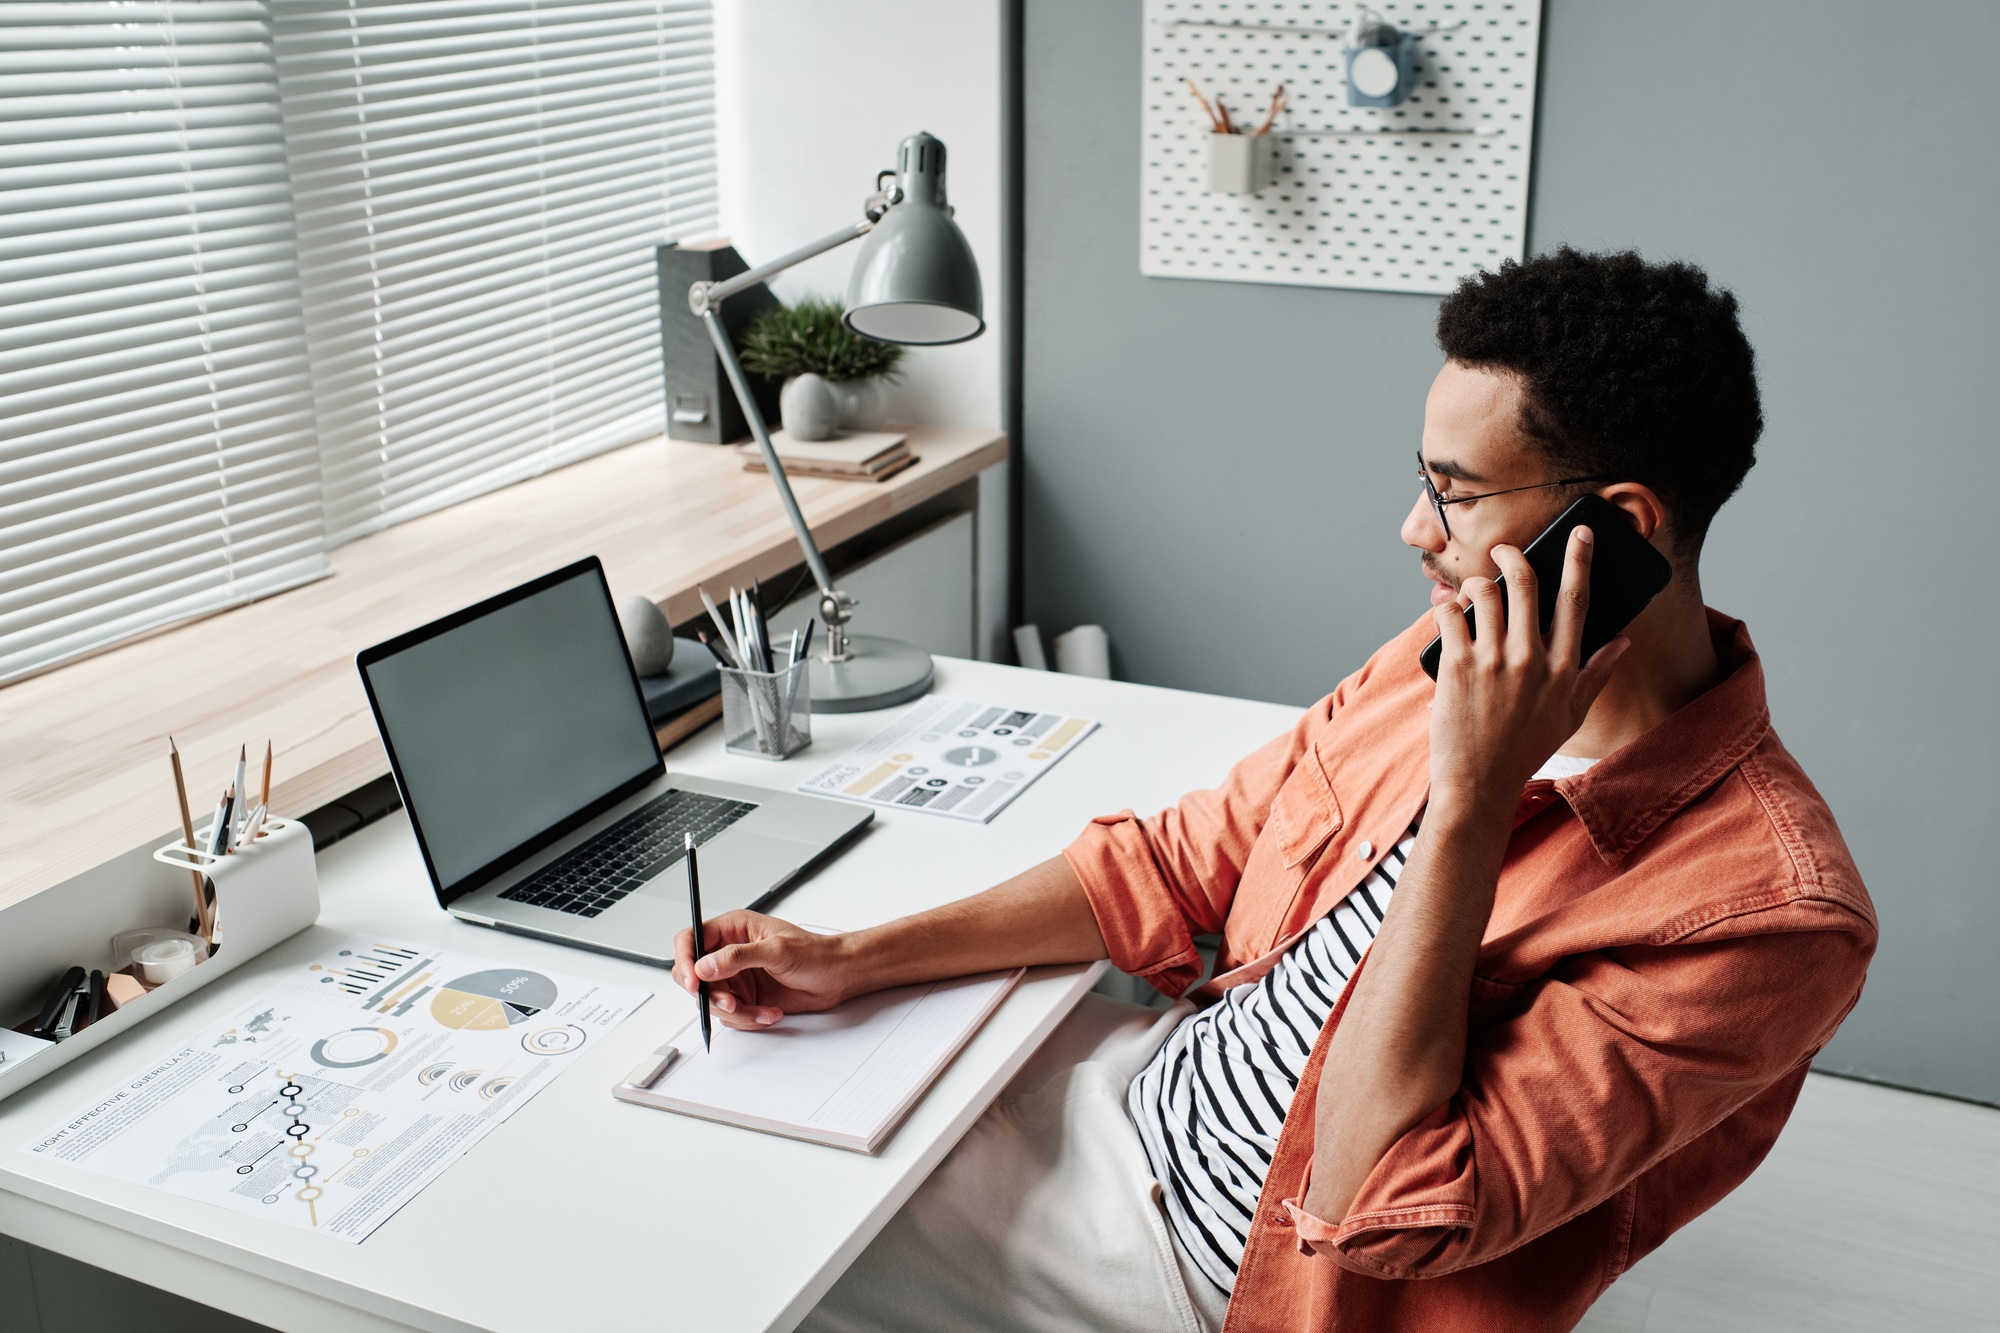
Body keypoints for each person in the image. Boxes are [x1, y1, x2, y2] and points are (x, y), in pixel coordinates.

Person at [674, 249, 1877, 1333]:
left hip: (1207, 1266)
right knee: (731, 1124)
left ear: (1611, 530)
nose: (1413, 529)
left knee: (734, 1239)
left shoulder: (1770, 915)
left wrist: (1468, 800)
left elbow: (1377, 1208)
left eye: (1454, 492)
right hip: (1137, 1084)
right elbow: (1167, 863)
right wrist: (851, 954)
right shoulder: (1433, 659)